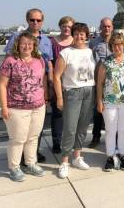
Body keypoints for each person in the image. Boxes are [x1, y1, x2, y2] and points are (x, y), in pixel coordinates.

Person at [4, 8, 53, 163]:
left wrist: (48, 89)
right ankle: (17, 162)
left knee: (34, 132)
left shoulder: (46, 40)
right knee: (19, 133)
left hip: (38, 90)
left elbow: (49, 64)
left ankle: (32, 157)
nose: (35, 22)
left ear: (42, 21)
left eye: (38, 20)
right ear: (27, 20)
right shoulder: (16, 37)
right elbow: (8, 63)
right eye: (32, 20)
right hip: (19, 95)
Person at [0, 32, 47, 182]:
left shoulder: (40, 60)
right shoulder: (10, 61)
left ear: (34, 46)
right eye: (23, 43)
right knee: (18, 139)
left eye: (30, 44)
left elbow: (42, 82)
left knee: (33, 137)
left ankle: (30, 163)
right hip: (16, 107)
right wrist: (4, 107)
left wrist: (45, 99)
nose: (26, 46)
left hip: (38, 106)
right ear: (18, 45)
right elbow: (2, 85)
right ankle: (14, 167)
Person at [53, 23, 96, 179]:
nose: (80, 36)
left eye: (82, 34)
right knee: (70, 128)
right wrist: (59, 97)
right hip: (72, 92)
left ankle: (77, 156)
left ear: (87, 35)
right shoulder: (66, 53)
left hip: (89, 91)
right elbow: (56, 76)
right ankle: (64, 161)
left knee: (83, 127)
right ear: (72, 35)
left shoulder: (91, 52)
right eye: (77, 33)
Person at [96, 33, 124, 171]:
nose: (117, 47)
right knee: (110, 130)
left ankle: (122, 155)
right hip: (109, 102)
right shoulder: (105, 62)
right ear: (111, 46)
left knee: (123, 129)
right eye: (114, 44)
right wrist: (99, 101)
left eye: (120, 44)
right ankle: (110, 156)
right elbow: (99, 84)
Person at [49, 16, 75, 154]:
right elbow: (49, 63)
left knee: (72, 114)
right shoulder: (52, 42)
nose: (67, 28)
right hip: (57, 82)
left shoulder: (76, 42)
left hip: (72, 84)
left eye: (70, 26)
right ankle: (57, 142)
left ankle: (70, 141)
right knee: (57, 113)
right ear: (60, 26)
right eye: (64, 25)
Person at [88, 17, 113, 148]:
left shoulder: (117, 41)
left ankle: (113, 137)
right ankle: (96, 136)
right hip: (99, 80)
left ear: (112, 27)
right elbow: (90, 61)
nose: (106, 28)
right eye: (104, 26)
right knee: (98, 109)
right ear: (100, 27)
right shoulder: (93, 43)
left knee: (113, 110)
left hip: (113, 82)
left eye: (109, 26)